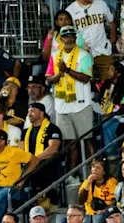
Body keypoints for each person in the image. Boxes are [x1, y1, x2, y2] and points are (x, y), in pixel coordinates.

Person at [46, 25, 93, 169]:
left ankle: (95, 170)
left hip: (81, 104)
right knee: (69, 143)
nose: (69, 39)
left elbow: (86, 77)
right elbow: (48, 79)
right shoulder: (55, 55)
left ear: (75, 37)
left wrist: (67, 70)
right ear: (61, 39)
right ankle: (72, 175)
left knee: (86, 141)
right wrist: (59, 74)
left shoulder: (83, 55)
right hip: (62, 105)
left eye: (71, 36)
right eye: (65, 36)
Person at [0, 128, 34, 223]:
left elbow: (34, 160)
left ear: (2, 142)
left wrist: (23, 179)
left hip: (12, 188)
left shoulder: (14, 152)